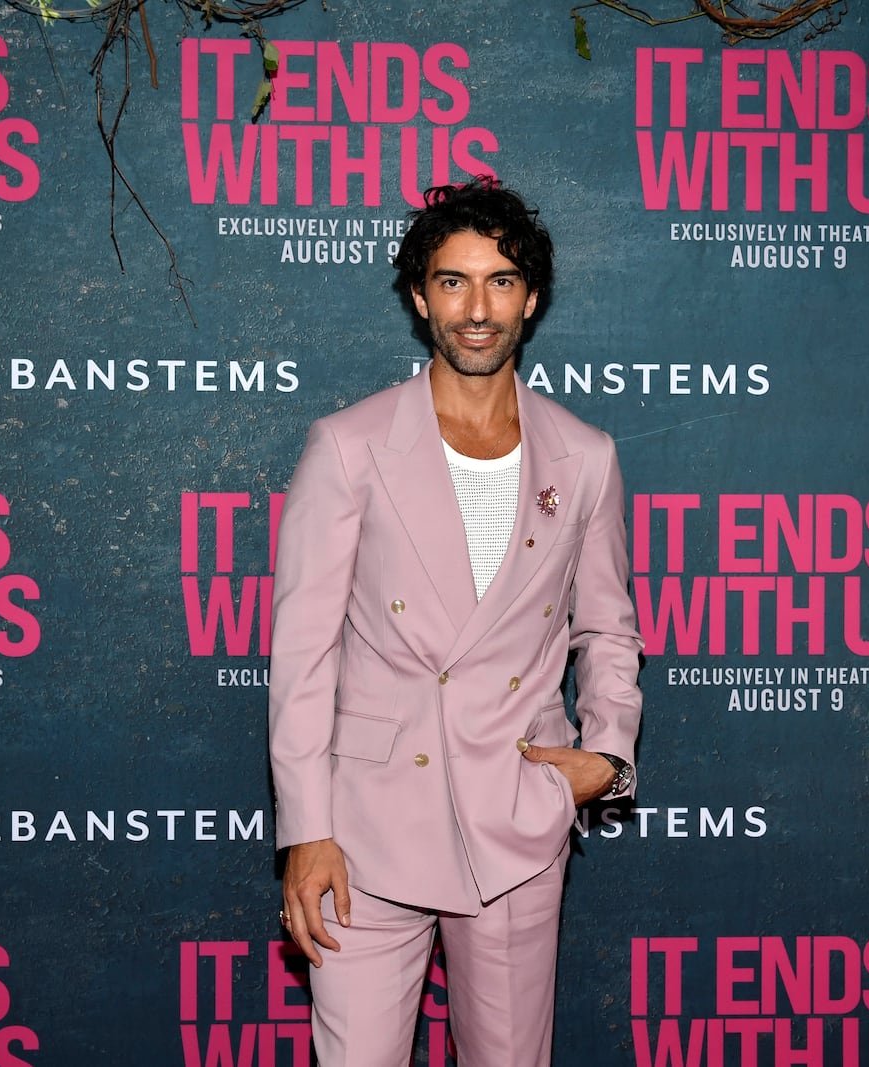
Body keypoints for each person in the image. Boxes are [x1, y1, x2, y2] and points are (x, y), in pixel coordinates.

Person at [267, 177, 643, 1066]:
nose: (477, 308)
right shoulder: (349, 445)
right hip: (363, 832)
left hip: (515, 817)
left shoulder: (586, 456)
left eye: (501, 281)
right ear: (418, 296)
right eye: (452, 281)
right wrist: (304, 831)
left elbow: (609, 627)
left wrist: (608, 751)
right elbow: (302, 654)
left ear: (532, 298)